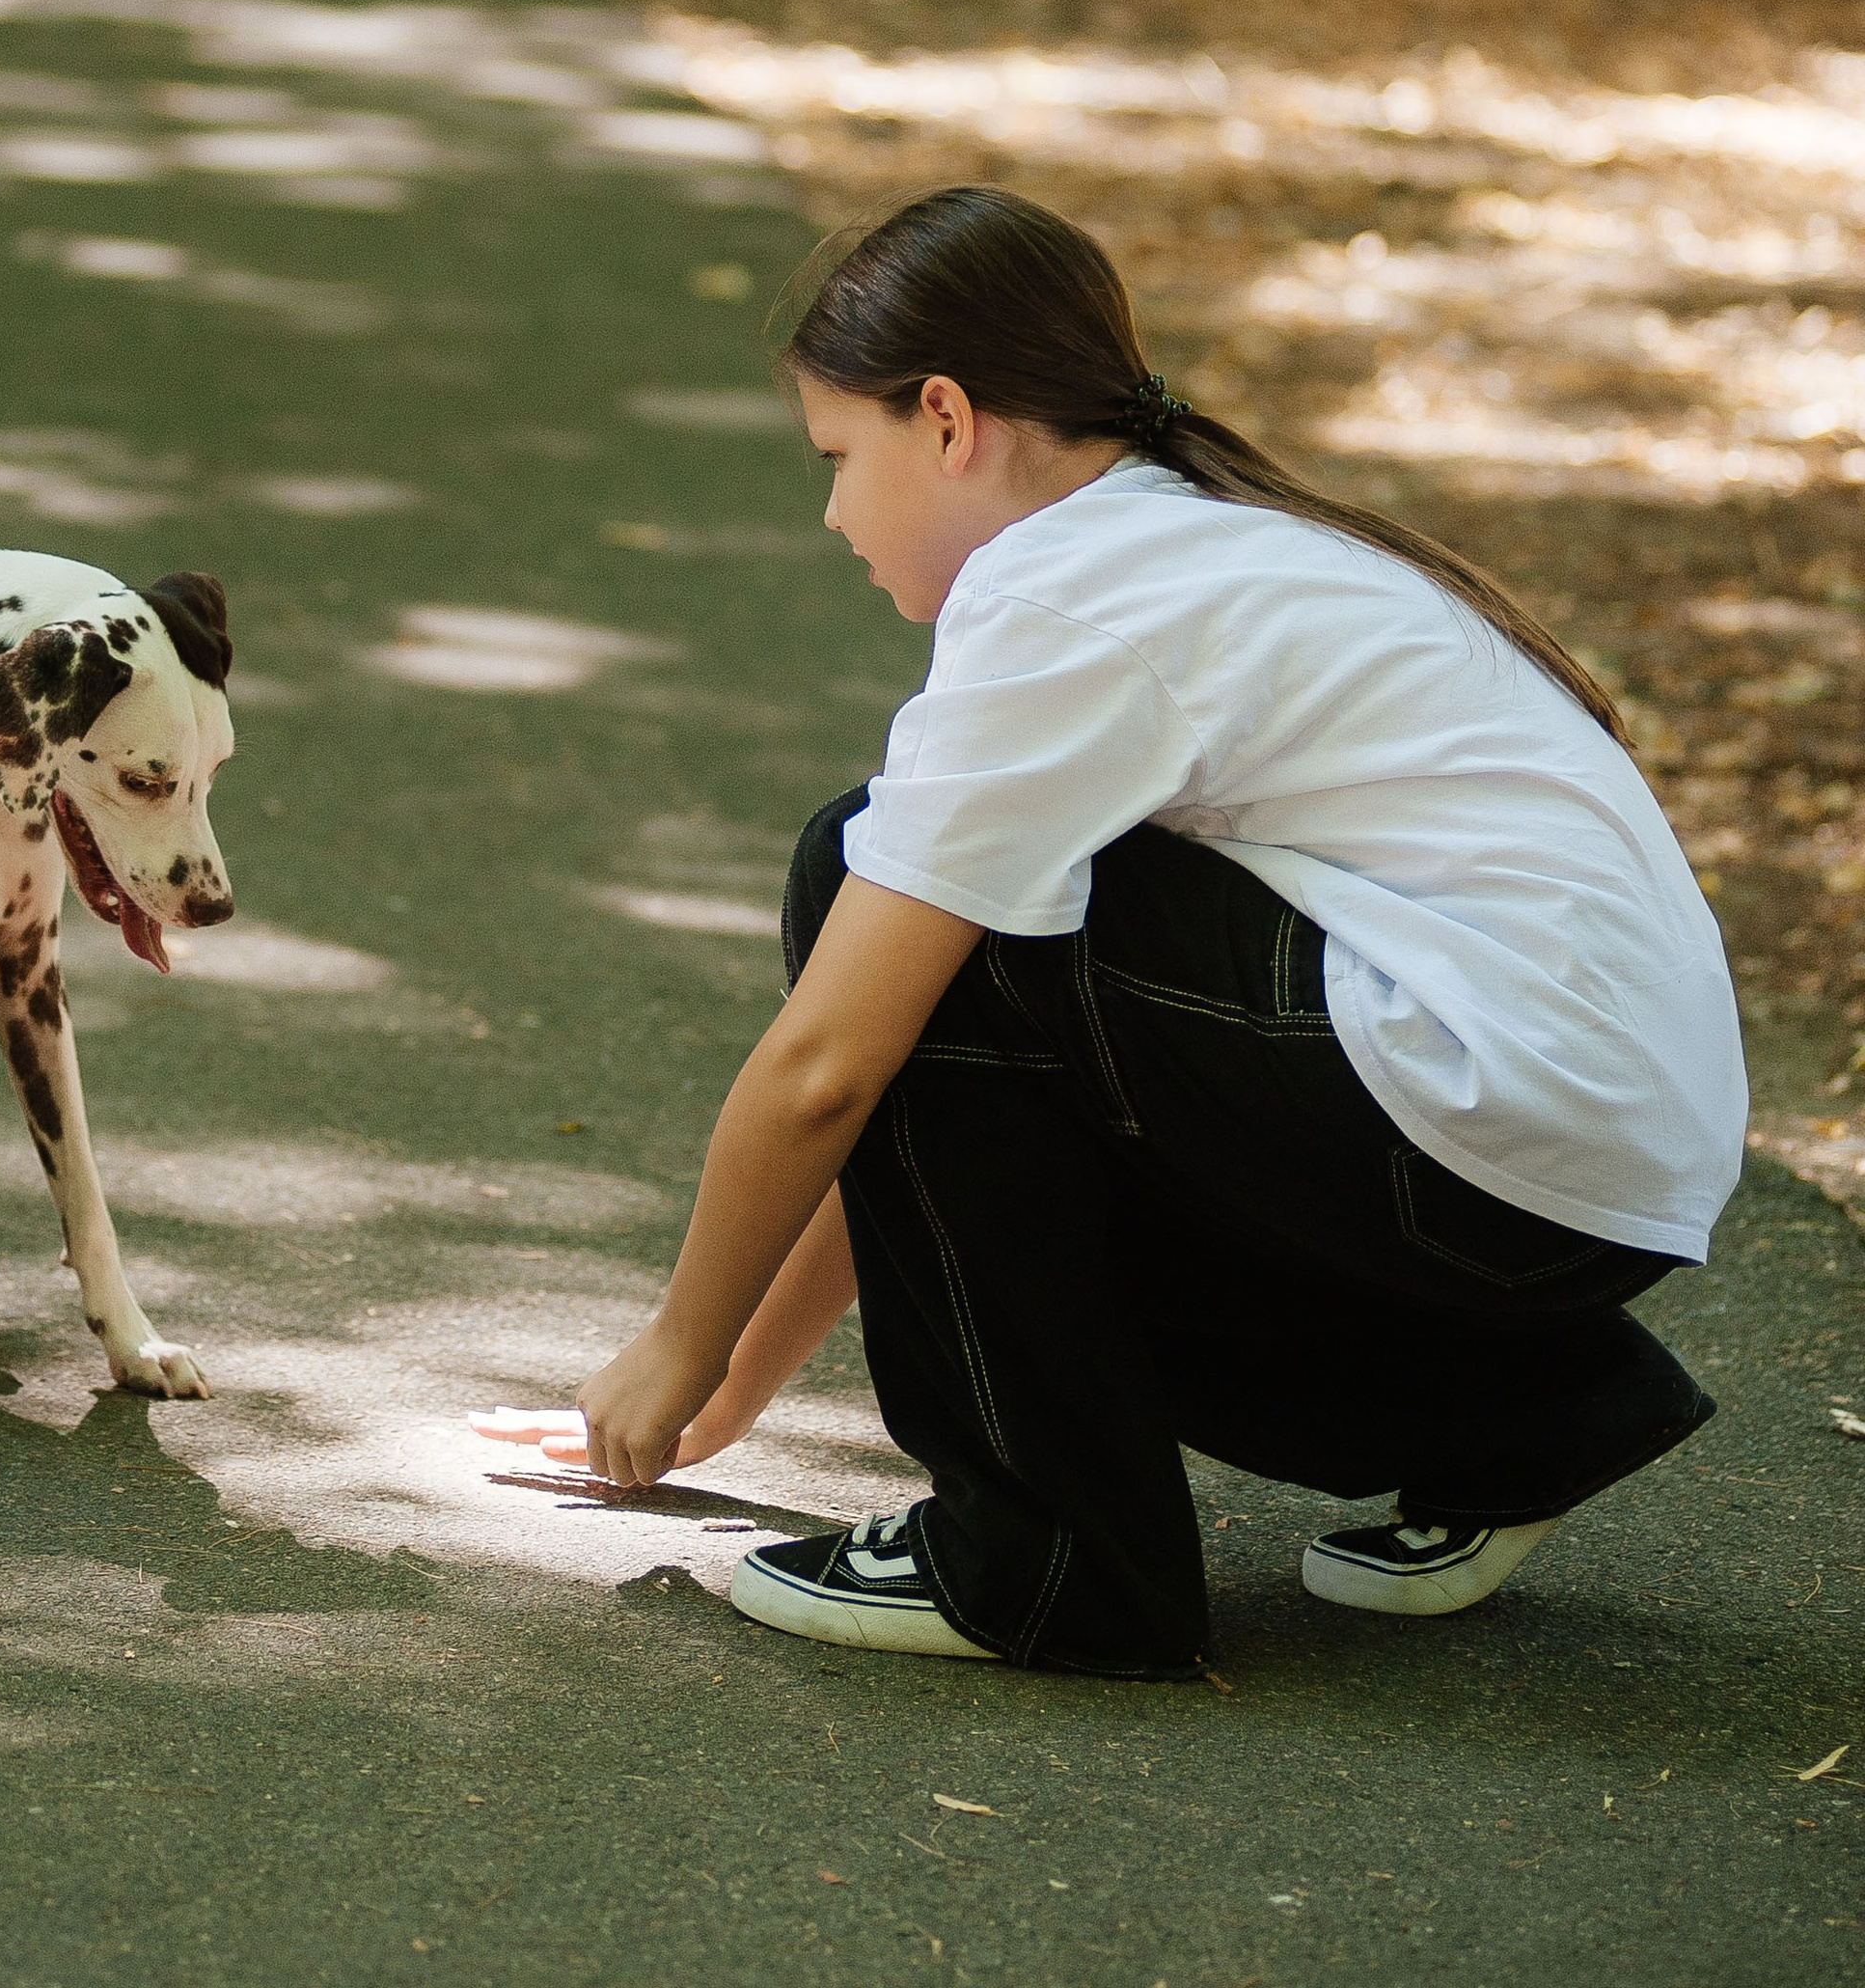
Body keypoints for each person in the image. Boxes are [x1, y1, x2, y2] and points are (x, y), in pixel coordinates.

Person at [481, 186, 1743, 1680]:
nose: (829, 512)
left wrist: (675, 1350)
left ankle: (1047, 1563)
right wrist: (727, 1394)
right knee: (999, 1034)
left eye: (838, 456)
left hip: (1491, 1126)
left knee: (857, 862)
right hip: (1581, 1173)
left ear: (945, 418)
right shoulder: (1179, 533)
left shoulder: (1069, 595)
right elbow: (916, 1122)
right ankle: (1531, 1412)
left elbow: (834, 1062)